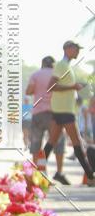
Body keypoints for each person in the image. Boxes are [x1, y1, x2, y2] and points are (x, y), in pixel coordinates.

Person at [42, 41, 94, 185]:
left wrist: (74, 90)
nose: (78, 52)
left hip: (63, 109)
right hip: (64, 110)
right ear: (68, 49)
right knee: (77, 141)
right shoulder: (61, 65)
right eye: (76, 49)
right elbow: (50, 86)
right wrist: (73, 87)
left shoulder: (66, 66)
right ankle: (90, 176)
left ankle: (34, 171)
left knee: (51, 143)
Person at [25, 55, 66, 183]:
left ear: (42, 64)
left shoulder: (35, 75)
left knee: (36, 144)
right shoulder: (58, 75)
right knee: (58, 143)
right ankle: (59, 172)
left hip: (38, 113)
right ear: (53, 65)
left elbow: (29, 91)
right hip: (55, 113)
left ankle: (37, 174)